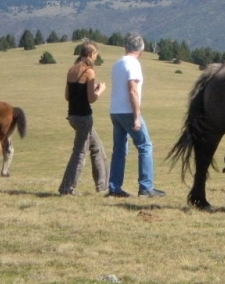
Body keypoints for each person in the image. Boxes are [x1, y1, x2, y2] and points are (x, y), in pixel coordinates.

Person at [107, 34, 165, 198]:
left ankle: (114, 187)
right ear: (142, 50)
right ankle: (146, 187)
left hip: (115, 111)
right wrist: (137, 116)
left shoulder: (118, 63)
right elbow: (132, 90)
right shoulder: (133, 64)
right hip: (128, 110)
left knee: (119, 150)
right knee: (145, 146)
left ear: (126, 47)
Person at [58, 41, 108, 195]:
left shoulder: (71, 70)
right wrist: (100, 90)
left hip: (73, 115)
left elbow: (67, 96)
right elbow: (91, 98)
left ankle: (103, 186)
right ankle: (67, 188)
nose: (96, 57)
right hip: (84, 117)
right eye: (96, 54)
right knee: (79, 153)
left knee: (97, 148)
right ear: (91, 54)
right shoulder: (89, 71)